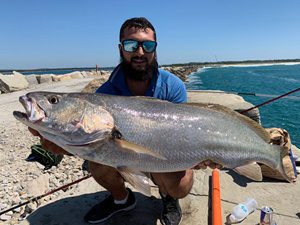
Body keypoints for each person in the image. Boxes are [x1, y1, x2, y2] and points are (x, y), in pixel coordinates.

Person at [29, 17, 220, 225]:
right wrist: (62, 146)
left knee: (181, 185)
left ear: (155, 49)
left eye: (148, 45)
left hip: (163, 153)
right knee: (97, 164)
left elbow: (183, 130)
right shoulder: (105, 94)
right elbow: (87, 138)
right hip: (121, 154)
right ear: (121, 49)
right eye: (131, 45)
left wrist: (200, 154)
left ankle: (169, 197)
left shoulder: (172, 86)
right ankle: (122, 200)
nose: (140, 52)